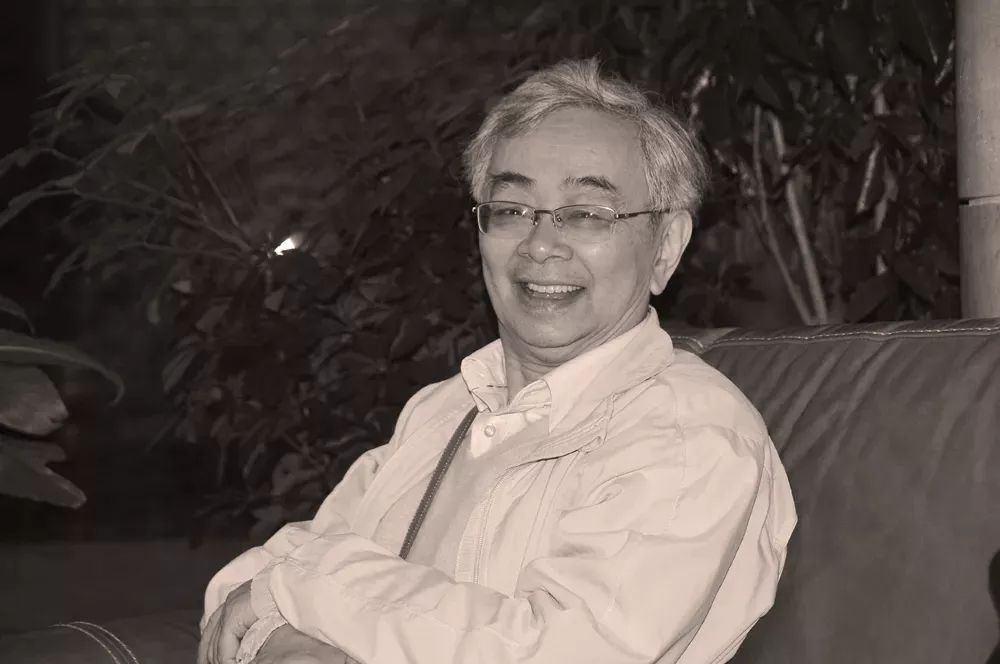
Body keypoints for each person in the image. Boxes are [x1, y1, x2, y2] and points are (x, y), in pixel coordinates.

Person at [198, 57, 796, 664]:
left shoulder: (689, 436)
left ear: (665, 246)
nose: (540, 244)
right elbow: (249, 585)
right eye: (511, 210)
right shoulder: (445, 410)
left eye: (587, 214)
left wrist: (311, 591)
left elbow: (561, 652)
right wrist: (288, 642)